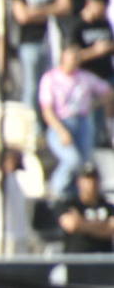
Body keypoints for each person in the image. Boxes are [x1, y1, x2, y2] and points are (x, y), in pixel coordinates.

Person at [39, 45, 114, 199]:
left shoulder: (84, 77)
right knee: (72, 159)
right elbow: (47, 110)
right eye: (71, 59)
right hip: (61, 123)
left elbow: (108, 91)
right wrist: (61, 131)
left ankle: (76, 195)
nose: (74, 62)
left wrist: (94, 103)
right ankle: (57, 190)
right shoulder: (51, 78)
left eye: (76, 59)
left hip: (83, 122)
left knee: (84, 162)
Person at [58, 164, 114, 252]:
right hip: (76, 262)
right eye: (87, 180)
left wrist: (81, 223)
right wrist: (103, 225)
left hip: (103, 262)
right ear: (79, 182)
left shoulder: (108, 207)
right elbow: (71, 225)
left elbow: (111, 229)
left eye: (94, 179)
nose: (91, 184)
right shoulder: (70, 204)